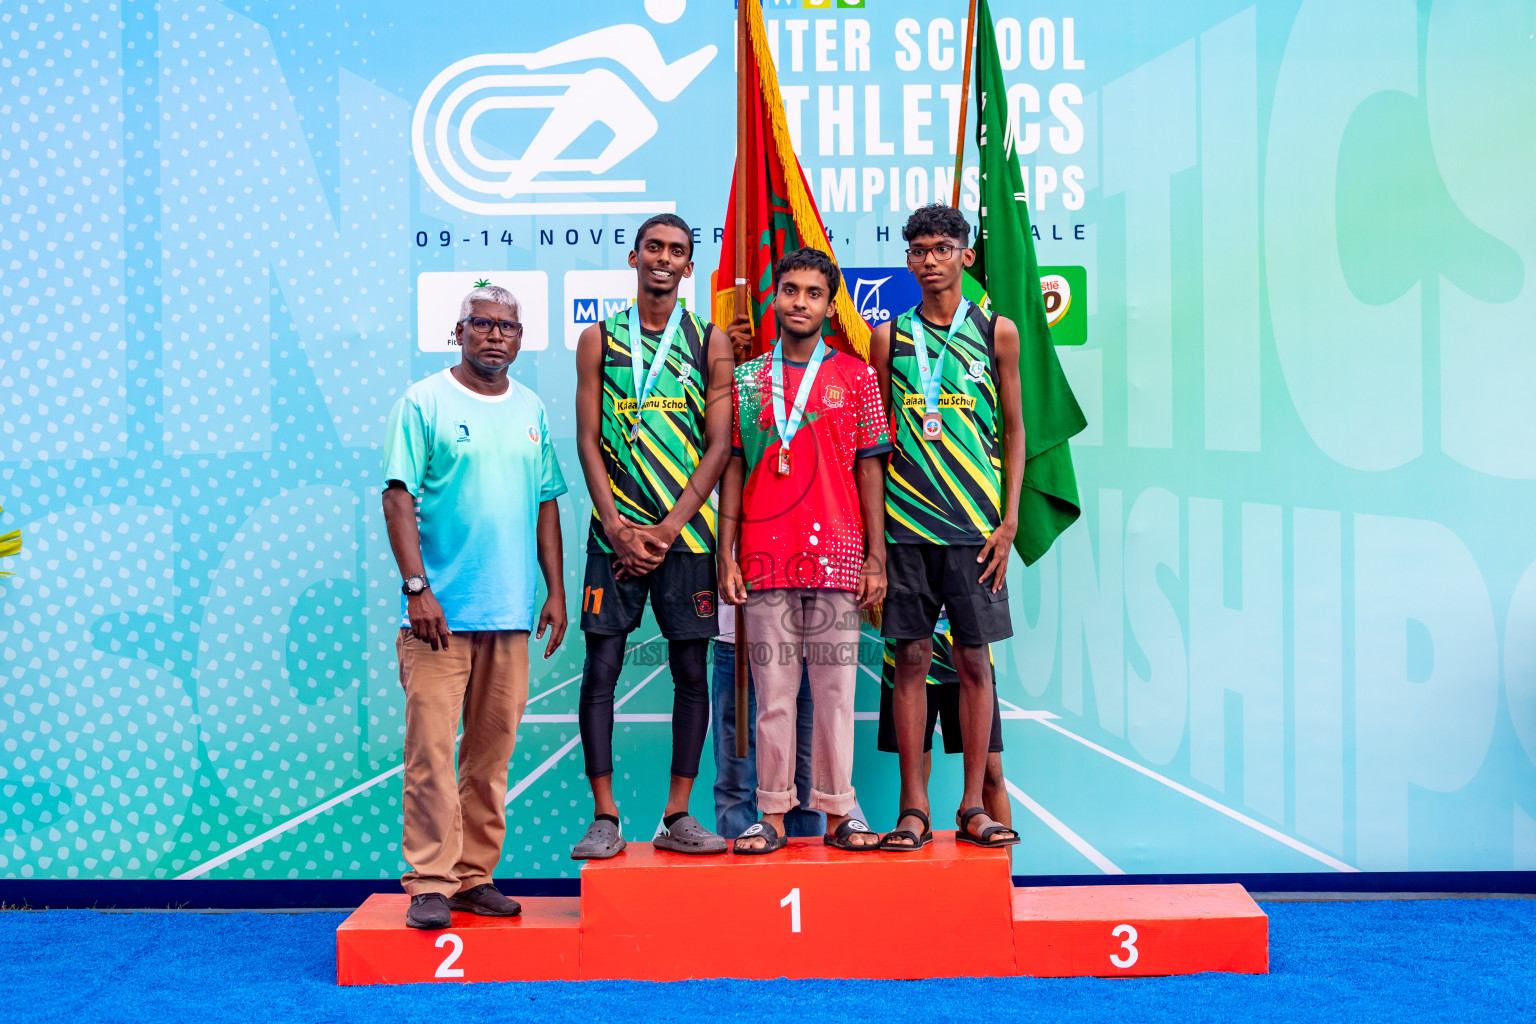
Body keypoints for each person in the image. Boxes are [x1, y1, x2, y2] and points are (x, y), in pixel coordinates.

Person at [382, 284, 568, 929]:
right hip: (438, 617)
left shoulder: (531, 408)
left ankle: (472, 877)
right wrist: (417, 589)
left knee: (490, 758)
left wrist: (556, 590)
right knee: (431, 754)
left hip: (510, 614)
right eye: (482, 324)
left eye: (507, 327)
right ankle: (429, 881)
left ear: (520, 338)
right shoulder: (425, 401)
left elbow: (547, 502)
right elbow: (397, 497)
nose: (495, 336)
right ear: (458, 331)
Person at [571, 213, 734, 859]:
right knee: (601, 671)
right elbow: (587, 438)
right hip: (613, 536)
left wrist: (670, 526)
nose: (664, 259)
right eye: (654, 248)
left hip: (687, 539)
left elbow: (719, 444)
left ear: (690, 268)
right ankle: (605, 816)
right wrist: (615, 525)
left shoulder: (710, 342)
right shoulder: (599, 339)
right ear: (635, 257)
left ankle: (677, 815)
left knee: (691, 671)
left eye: (677, 252)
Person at [719, 248, 890, 855]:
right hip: (764, 556)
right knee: (775, 696)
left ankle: (841, 811)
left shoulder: (858, 377)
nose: (799, 302)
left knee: (837, 694)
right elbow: (733, 469)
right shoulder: (746, 379)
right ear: (776, 297)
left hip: (841, 555)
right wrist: (727, 553)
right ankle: (769, 813)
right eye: (790, 290)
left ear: (829, 302)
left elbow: (871, 473)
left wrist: (876, 557)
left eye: (813, 293)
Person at [870, 203, 1024, 851]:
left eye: (941, 248)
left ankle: (968, 806)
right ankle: (912, 809)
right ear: (907, 259)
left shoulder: (998, 333)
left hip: (974, 531)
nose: (928, 260)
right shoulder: (889, 337)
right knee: (907, 662)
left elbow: (1015, 430)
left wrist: (1009, 520)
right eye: (918, 249)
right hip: (906, 528)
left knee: (973, 664)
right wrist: (876, 542)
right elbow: (874, 444)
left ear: (966, 255)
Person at [876, 618, 1010, 833]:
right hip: (911, 633)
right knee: (915, 777)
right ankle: (920, 860)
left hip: (966, 635)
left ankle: (1004, 866)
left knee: (991, 772)